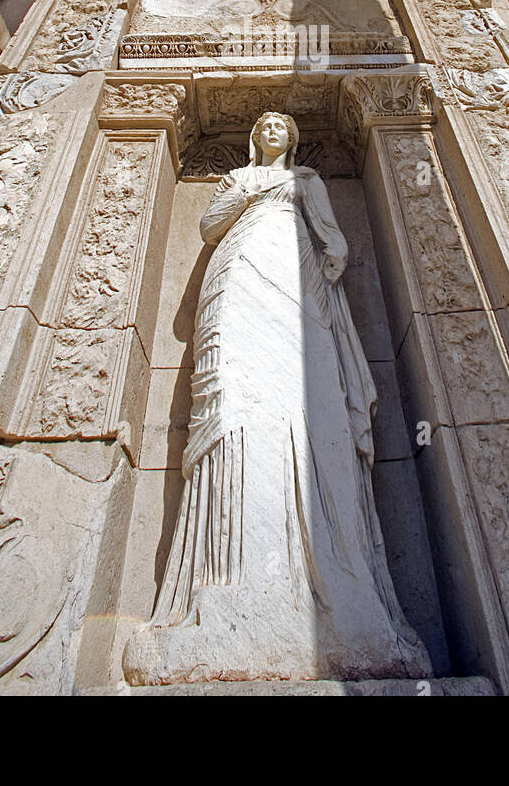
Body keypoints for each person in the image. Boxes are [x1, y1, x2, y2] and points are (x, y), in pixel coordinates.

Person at [123, 111, 431, 684]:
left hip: (294, 285)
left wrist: (326, 257)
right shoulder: (240, 181)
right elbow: (210, 226)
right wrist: (245, 189)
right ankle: (225, 578)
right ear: (252, 137)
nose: (269, 128)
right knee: (233, 405)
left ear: (291, 139)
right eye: (261, 123)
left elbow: (334, 242)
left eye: (279, 125)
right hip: (235, 278)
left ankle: (333, 585)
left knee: (303, 403)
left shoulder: (307, 181)